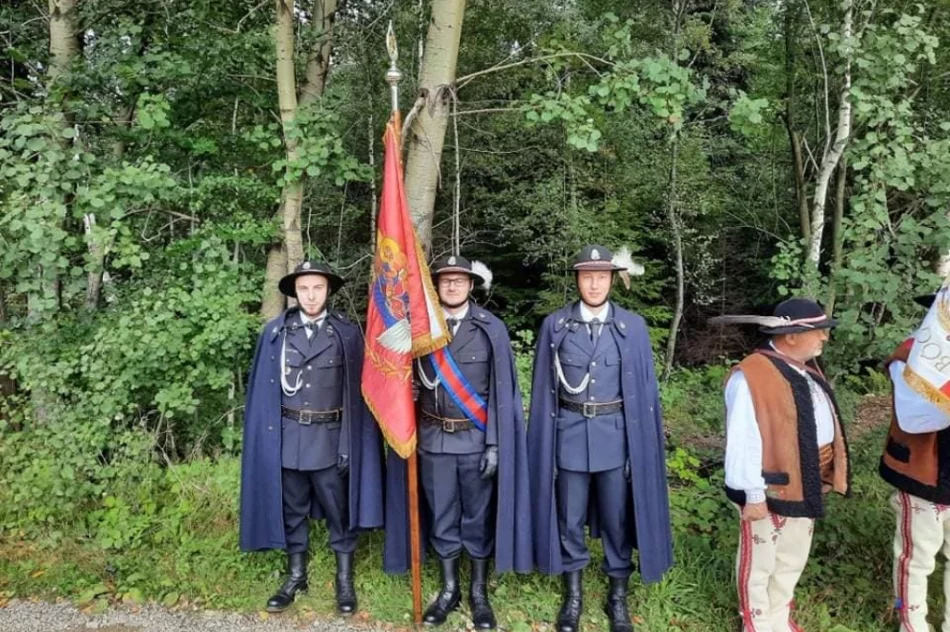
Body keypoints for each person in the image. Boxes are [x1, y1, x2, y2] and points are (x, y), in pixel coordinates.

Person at [527, 245, 673, 632]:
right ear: (576, 279)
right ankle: (573, 597)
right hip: (569, 438)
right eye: (587, 276)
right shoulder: (556, 327)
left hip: (615, 438)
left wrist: (636, 447)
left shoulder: (632, 328)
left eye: (601, 276)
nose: (594, 284)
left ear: (613, 280)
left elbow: (644, 394)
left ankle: (617, 599)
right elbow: (543, 391)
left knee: (617, 520)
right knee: (569, 519)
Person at [383, 255, 532, 630]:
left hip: (476, 440)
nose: (452, 286)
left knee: (477, 519)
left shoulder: (490, 328)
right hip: (432, 439)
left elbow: (503, 393)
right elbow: (389, 368)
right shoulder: (418, 329)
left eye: (459, 281)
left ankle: (478, 593)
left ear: (471, 285)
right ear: (437, 286)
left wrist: (495, 444)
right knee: (443, 518)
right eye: (446, 281)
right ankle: (449, 591)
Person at [239, 260, 384, 614]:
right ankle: (296, 574)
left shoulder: (347, 334)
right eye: (304, 288)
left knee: (339, 511)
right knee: (291, 510)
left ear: (328, 291)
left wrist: (351, 443)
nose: (311, 294)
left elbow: (358, 396)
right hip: (287, 437)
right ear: (294, 293)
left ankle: (344, 580)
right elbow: (262, 394)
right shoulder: (275, 334)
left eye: (317, 287)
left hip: (330, 437)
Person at [715, 297, 850, 632]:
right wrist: (753, 494)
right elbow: (744, 439)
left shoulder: (807, 368)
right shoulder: (751, 375)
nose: (824, 338)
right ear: (791, 335)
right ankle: (758, 623)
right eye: (819, 331)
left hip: (805, 480)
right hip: (767, 485)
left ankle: (779, 619)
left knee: (791, 557)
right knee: (761, 561)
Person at [879, 291, 950, 632]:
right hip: (923, 476)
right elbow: (916, 417)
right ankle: (913, 626)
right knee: (916, 559)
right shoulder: (910, 356)